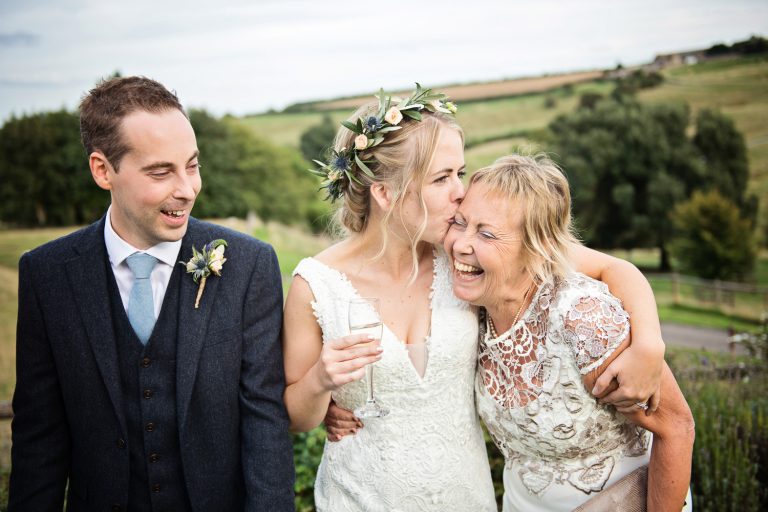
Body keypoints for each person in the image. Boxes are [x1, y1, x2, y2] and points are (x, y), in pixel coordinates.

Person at [284, 86, 667, 511]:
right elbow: (299, 418)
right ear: (385, 193)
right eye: (442, 178)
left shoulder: (465, 257)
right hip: (360, 497)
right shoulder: (315, 285)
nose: (459, 192)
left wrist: (649, 343)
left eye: (460, 173)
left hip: (466, 496)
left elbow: (615, 269)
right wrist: (322, 382)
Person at [9, 76, 294, 511]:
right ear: (103, 170)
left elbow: (265, 423)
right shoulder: (46, 276)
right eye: (161, 172)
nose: (186, 188)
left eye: (192, 165)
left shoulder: (248, 265)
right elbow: (39, 439)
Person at [443, 154, 694, 511]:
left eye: (485, 233)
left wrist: (650, 343)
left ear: (536, 249)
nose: (460, 245)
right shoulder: (474, 303)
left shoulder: (582, 319)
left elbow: (677, 427)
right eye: (459, 222)